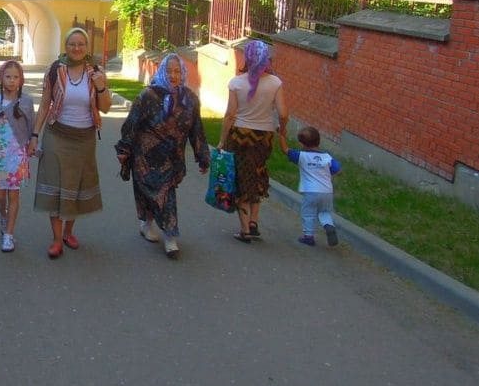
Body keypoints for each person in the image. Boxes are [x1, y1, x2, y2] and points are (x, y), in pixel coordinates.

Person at [27, 28, 112, 258]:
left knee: (75, 186)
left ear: (87, 47)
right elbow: (45, 104)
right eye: (72, 44)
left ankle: (68, 232)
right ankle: (57, 240)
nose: (76, 48)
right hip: (57, 135)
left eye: (81, 44)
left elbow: (106, 107)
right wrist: (34, 135)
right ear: (65, 47)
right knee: (55, 185)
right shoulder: (55, 70)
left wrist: (101, 86)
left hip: (84, 139)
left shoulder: (96, 72)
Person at [115, 52, 210, 259]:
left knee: (166, 195)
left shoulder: (189, 99)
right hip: (145, 157)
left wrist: (202, 156)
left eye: (177, 71)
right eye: (169, 71)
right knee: (149, 193)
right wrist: (124, 149)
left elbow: (197, 129)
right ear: (161, 72)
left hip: (171, 158)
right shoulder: (148, 96)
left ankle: (169, 235)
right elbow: (131, 124)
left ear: (183, 73)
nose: (173, 76)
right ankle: (154, 228)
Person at [218, 39, 288, 244]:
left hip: (239, 136)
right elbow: (283, 113)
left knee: (241, 179)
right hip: (263, 138)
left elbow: (230, 115)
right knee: (257, 175)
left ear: (247, 59)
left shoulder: (236, 83)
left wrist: (222, 140)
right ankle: (254, 222)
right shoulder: (275, 83)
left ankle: (245, 229)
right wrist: (282, 131)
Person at [0, 60, 35, 253]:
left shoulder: (26, 102)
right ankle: (3, 216)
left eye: (16, 77)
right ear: (1, 78)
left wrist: (32, 146)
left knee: (14, 194)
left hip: (18, 155)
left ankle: (9, 235)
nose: (12, 80)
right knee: (0, 194)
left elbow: (31, 128)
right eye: (8, 76)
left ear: (21, 80)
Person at [279, 126, 341, 246]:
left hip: (310, 191)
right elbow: (337, 169)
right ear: (319, 141)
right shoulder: (327, 157)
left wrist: (281, 135)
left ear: (302, 143)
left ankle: (308, 236)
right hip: (327, 191)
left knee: (308, 213)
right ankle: (329, 225)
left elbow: (285, 150)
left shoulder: (301, 156)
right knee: (325, 212)